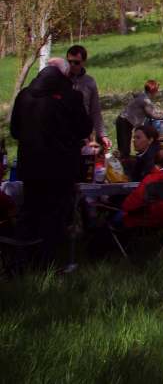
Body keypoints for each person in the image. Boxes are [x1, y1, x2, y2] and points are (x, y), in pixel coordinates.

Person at [10, 59, 92, 266]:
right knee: (55, 215)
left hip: (30, 166)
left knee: (29, 213)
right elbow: (84, 129)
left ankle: (20, 262)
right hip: (60, 167)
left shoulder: (24, 95)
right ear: (65, 75)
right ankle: (48, 264)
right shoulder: (71, 97)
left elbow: (14, 131)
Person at [118, 147, 163, 229]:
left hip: (146, 222)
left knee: (116, 217)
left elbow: (129, 205)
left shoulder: (152, 180)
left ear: (157, 165)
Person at [66, 44, 108, 151]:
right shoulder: (60, 79)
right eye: (69, 61)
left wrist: (102, 134)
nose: (72, 65)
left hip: (83, 132)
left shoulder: (89, 82)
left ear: (83, 62)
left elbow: (95, 110)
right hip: (64, 131)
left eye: (76, 62)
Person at [117, 80, 163, 158]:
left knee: (123, 147)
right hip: (125, 122)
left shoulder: (143, 96)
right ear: (153, 90)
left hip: (123, 120)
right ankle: (124, 164)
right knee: (124, 148)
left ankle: (124, 161)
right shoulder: (145, 100)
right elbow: (153, 115)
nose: (158, 91)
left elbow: (152, 111)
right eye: (157, 89)